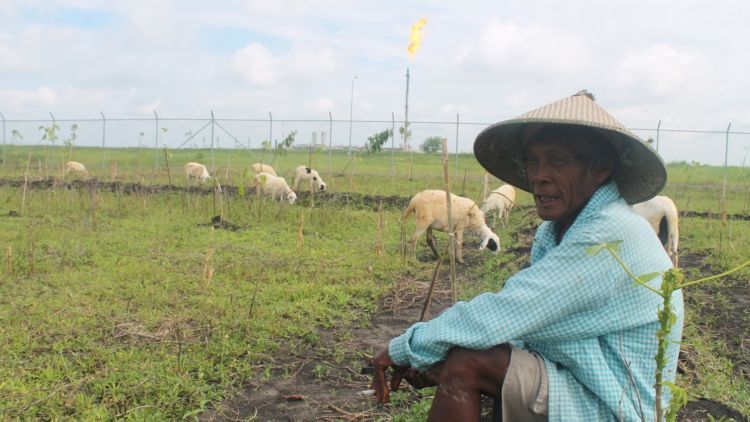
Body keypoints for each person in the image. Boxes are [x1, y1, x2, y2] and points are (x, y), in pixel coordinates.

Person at [370, 90, 684, 421]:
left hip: (613, 403)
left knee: (467, 363)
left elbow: (509, 311)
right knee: (466, 353)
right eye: (533, 161)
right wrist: (438, 354)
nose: (539, 175)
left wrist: (407, 347)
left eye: (558, 160)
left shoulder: (607, 233)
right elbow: (530, 324)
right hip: (580, 375)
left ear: (601, 168)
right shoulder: (559, 230)